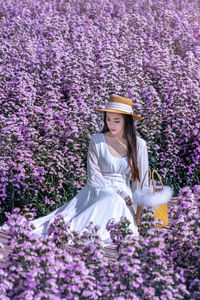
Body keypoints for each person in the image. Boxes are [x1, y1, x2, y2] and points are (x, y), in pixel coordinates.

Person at [29, 95, 149, 245]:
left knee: (118, 204)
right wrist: (119, 193)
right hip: (98, 188)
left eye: (117, 120)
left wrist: (142, 210)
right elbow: (93, 176)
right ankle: (80, 232)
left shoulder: (139, 145)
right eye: (108, 119)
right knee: (113, 199)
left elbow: (142, 179)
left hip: (125, 193)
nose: (111, 124)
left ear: (127, 121)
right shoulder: (97, 140)